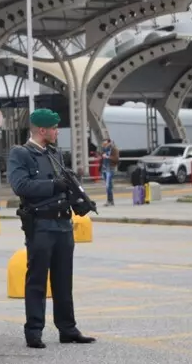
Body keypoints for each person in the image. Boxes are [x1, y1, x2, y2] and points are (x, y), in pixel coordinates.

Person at [7, 109, 96, 349]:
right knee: (37, 279)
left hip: (62, 224)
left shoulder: (54, 154)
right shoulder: (21, 154)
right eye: (55, 128)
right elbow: (20, 186)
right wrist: (54, 185)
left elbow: (64, 186)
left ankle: (67, 329)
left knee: (63, 279)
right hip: (41, 225)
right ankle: (34, 331)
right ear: (42, 130)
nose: (58, 132)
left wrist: (78, 199)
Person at [100, 138, 118, 206]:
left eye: (105, 144)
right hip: (104, 169)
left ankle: (110, 201)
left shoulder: (113, 149)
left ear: (109, 143)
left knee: (108, 186)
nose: (104, 145)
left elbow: (116, 159)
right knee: (108, 186)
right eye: (103, 144)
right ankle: (110, 200)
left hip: (110, 169)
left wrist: (107, 157)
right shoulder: (104, 149)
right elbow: (102, 158)